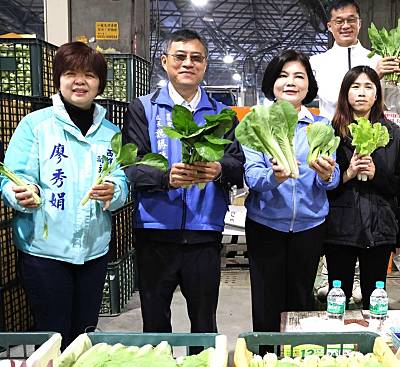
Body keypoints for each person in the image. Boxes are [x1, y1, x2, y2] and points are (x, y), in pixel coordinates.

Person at [0, 42, 129, 347]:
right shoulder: (36, 125)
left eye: (89, 74)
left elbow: (120, 179)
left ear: (100, 83)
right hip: (45, 252)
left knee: (84, 334)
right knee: (53, 336)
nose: (79, 81)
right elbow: (13, 178)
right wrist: (23, 193)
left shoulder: (110, 131)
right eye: (70, 73)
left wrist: (115, 191)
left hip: (93, 251)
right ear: (58, 80)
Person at [121, 29, 243, 337]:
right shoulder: (144, 109)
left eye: (196, 58)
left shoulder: (222, 114)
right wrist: (165, 177)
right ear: (165, 62)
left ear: (204, 65)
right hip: (155, 232)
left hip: (204, 233)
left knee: (204, 323)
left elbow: (238, 165)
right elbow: (131, 165)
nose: (188, 63)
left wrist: (218, 169)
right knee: (155, 322)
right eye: (180, 56)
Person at [242, 50, 340, 332]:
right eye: (283, 76)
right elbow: (253, 176)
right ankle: (262, 362)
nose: (291, 82)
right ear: (272, 83)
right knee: (265, 301)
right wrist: (274, 177)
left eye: (299, 76)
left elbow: (331, 181)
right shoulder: (256, 123)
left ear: (309, 85)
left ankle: (295, 361)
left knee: (300, 301)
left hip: (310, 228)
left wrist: (326, 174)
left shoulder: (321, 126)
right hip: (266, 226)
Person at [325, 66, 400, 307]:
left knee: (375, 299)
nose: (361, 93)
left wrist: (377, 174)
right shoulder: (331, 132)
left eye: (368, 87)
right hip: (340, 229)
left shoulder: (392, 132)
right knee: (337, 298)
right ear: (345, 94)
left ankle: (373, 343)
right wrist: (347, 173)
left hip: (379, 229)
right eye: (355, 87)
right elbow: (320, 185)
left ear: (377, 95)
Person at [310, 0, 400, 119]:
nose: (346, 25)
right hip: (331, 135)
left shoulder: (378, 61)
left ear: (359, 23)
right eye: (339, 21)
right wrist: (373, 78)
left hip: (369, 135)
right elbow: (332, 100)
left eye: (351, 20)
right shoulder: (316, 63)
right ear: (330, 26)